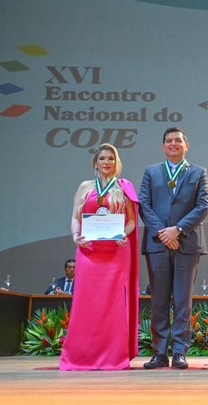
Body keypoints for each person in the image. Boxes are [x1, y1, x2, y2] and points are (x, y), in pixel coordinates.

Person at [59, 143, 139, 370]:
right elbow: (76, 216)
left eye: (111, 159)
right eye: (102, 158)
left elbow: (132, 220)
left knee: (113, 305)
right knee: (88, 304)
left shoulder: (124, 187)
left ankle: (113, 356)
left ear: (117, 163)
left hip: (116, 253)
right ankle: (82, 356)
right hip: (89, 252)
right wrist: (76, 236)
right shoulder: (85, 187)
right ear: (95, 163)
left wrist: (124, 233)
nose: (106, 162)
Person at [139, 127, 208, 370]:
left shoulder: (199, 172)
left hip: (186, 244)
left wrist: (177, 230)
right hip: (158, 244)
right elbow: (144, 206)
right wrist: (163, 232)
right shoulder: (151, 172)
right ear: (163, 146)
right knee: (158, 300)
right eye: (168, 141)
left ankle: (179, 352)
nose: (173, 144)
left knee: (182, 301)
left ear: (186, 145)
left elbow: (203, 206)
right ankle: (159, 353)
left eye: (178, 140)